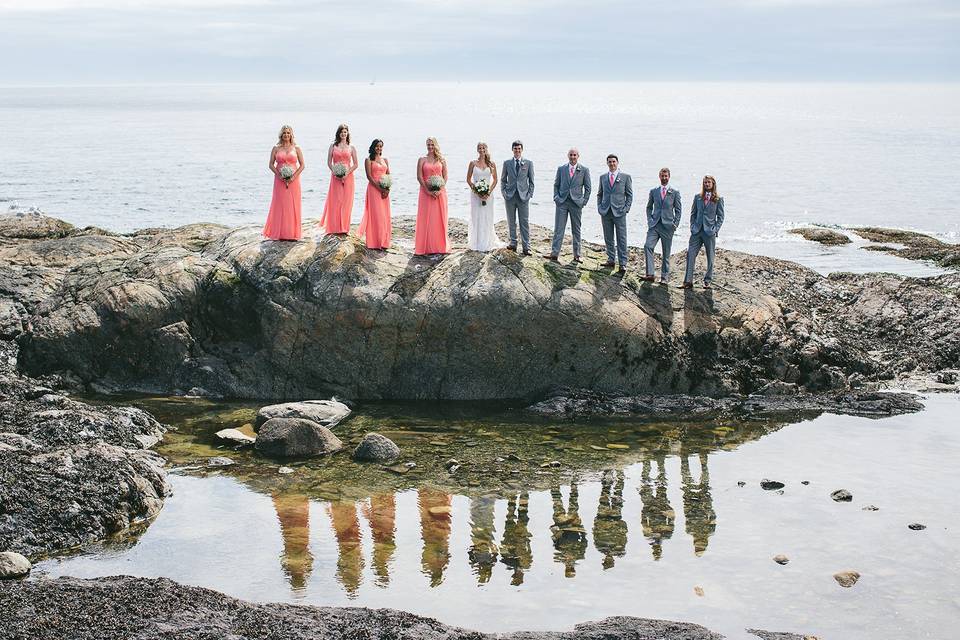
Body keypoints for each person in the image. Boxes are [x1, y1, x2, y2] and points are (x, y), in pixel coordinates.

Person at [546, 148, 591, 263]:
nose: (573, 157)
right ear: (568, 156)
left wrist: (583, 201)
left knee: (576, 230)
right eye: (571, 155)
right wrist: (556, 198)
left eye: (575, 155)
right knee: (558, 229)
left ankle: (577, 255)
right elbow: (556, 184)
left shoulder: (584, 170)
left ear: (578, 156)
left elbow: (588, 188)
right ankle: (554, 253)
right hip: (562, 202)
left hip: (576, 204)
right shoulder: (561, 169)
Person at [682, 175, 724, 289]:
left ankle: (707, 281)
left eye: (709, 182)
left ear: (713, 184)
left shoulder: (718, 199)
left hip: (709, 232)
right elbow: (693, 213)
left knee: (710, 257)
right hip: (696, 231)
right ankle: (688, 281)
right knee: (690, 254)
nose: (707, 184)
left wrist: (715, 229)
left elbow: (721, 217)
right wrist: (692, 226)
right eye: (705, 182)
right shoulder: (698, 197)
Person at [263, 124, 304, 241]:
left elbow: (302, 165)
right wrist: (279, 175)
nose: (286, 135)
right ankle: (279, 232)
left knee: (292, 204)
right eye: (284, 133)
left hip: (294, 181)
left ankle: (292, 233)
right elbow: (271, 164)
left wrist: (293, 177)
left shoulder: (296, 148)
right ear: (281, 135)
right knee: (280, 204)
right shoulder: (276, 148)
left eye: (288, 133)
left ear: (291, 135)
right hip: (279, 180)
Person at [644, 167, 682, 283]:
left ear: (669, 177)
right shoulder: (654, 191)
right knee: (648, 246)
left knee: (666, 253)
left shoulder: (674, 192)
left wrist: (675, 224)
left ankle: (664, 277)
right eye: (662, 176)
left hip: (667, 226)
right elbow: (649, 207)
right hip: (654, 225)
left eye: (666, 176)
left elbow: (678, 210)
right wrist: (650, 220)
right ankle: (650, 274)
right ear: (659, 176)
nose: (664, 178)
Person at [319, 123, 358, 236]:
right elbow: (329, 162)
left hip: (348, 177)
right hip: (335, 177)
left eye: (345, 132)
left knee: (346, 201)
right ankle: (334, 227)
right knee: (336, 201)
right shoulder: (333, 146)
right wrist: (335, 172)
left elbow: (355, 164)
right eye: (341, 132)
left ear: (347, 134)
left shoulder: (352, 148)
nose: (343, 134)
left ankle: (344, 227)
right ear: (338, 133)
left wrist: (347, 173)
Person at [596, 154, 633, 273]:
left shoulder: (625, 177)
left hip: (620, 212)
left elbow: (629, 195)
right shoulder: (603, 177)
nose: (612, 164)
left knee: (621, 238)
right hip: (606, 211)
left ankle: (622, 263)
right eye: (610, 162)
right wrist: (600, 207)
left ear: (617, 163)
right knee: (608, 237)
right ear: (607, 163)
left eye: (614, 162)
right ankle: (611, 259)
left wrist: (626, 208)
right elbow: (599, 194)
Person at [414, 137, 449, 255]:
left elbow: (445, 176)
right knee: (426, 219)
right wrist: (428, 191)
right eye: (428, 145)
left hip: (440, 193)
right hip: (425, 193)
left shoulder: (442, 160)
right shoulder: (422, 160)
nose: (430, 147)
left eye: (432, 145)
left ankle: (440, 246)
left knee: (439, 218)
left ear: (436, 145)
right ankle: (425, 247)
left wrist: (440, 189)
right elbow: (419, 177)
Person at [500, 140, 534, 255]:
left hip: (523, 197)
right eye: (515, 149)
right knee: (511, 221)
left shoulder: (528, 163)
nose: (517, 150)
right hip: (510, 196)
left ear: (522, 150)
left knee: (524, 222)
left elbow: (532, 181)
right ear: (512, 150)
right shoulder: (507, 163)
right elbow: (503, 180)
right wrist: (504, 193)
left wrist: (529, 194)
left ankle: (526, 247)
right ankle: (513, 243)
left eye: (519, 149)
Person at [358, 139, 391, 250]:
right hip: (373, 189)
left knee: (384, 215)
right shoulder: (368, 160)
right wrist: (379, 188)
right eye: (377, 146)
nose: (379, 148)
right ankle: (374, 242)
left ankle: (383, 241)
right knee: (376, 215)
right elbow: (369, 177)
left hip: (384, 190)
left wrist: (387, 189)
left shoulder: (385, 160)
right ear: (373, 147)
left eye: (381, 146)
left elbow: (388, 175)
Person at [466, 141, 499, 251]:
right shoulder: (472, 163)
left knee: (487, 216)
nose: (481, 150)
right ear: (477, 150)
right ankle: (477, 241)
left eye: (483, 148)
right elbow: (468, 180)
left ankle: (487, 240)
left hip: (488, 196)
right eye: (479, 148)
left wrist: (488, 191)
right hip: (476, 195)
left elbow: (495, 180)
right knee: (476, 216)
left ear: (486, 149)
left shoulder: (491, 164)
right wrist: (476, 191)